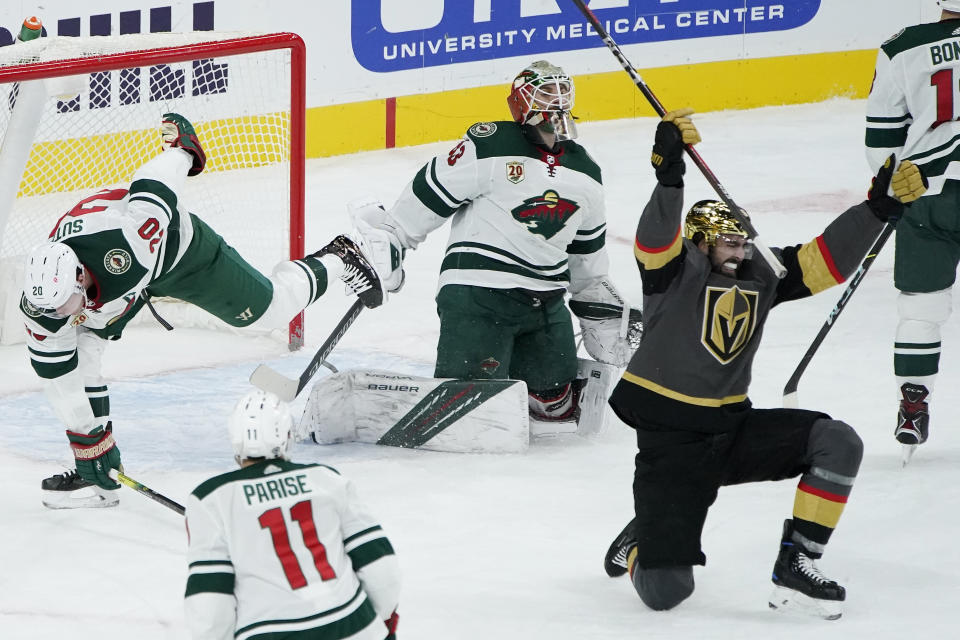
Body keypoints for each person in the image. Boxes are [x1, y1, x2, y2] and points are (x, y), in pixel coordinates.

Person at [601, 109, 925, 619]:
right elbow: (654, 238)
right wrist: (670, 175)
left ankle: (798, 561)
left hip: (732, 431)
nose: (743, 250)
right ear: (702, 242)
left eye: (745, 241)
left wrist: (877, 209)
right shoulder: (673, 272)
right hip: (674, 445)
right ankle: (644, 539)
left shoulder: (761, 275)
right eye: (731, 242)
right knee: (667, 592)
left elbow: (826, 262)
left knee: (836, 440)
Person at [20, 113, 384, 509]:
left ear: (78, 276)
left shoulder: (127, 241)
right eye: (52, 311)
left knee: (269, 312)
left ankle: (339, 256)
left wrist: (183, 153)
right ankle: (99, 480)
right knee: (85, 351)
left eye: (64, 305)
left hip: (179, 255)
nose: (60, 316)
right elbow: (60, 380)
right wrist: (87, 441)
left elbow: (152, 190)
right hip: (114, 288)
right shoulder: (42, 304)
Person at [350, 60, 641, 427]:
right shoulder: (491, 144)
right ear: (521, 102)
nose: (554, 100)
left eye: (559, 91)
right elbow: (433, 188)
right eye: (544, 91)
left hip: (546, 303)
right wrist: (394, 236)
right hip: (479, 295)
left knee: (556, 406)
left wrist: (595, 300)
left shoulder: (586, 172)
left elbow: (586, 255)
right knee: (469, 408)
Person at [184, 389, 400, 640]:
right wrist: (380, 620)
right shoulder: (325, 479)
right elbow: (381, 569)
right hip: (354, 627)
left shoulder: (210, 498)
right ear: (287, 435)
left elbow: (210, 604)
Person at [865, 0, 958, 461]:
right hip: (933, 182)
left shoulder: (902, 48)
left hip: (926, 194)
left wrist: (888, 188)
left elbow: (881, 137)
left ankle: (913, 403)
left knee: (922, 308)